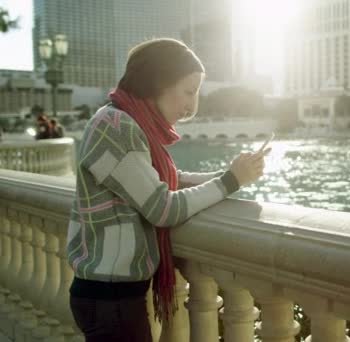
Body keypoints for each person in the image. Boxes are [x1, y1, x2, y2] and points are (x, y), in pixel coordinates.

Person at [66, 38, 270, 342]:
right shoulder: (116, 126)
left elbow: (164, 181)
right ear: (157, 83)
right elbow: (163, 208)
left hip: (111, 295)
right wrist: (230, 182)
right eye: (189, 91)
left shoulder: (122, 120)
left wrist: (230, 175)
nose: (192, 106)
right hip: (111, 299)